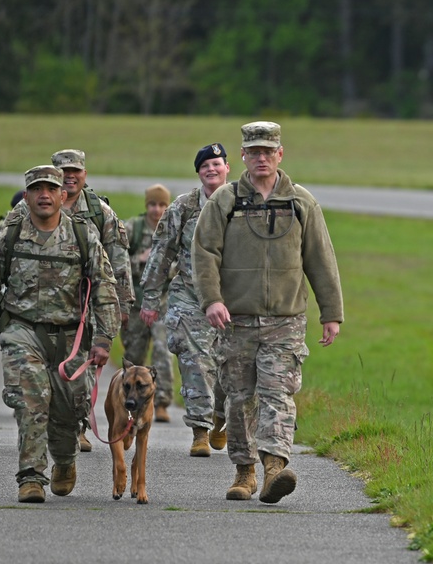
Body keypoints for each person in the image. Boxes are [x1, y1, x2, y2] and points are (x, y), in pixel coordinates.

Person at [192, 122, 344, 504]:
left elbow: (321, 259)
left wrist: (331, 313)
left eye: (268, 151)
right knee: (240, 399)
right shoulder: (224, 202)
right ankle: (244, 471)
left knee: (278, 394)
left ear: (280, 154)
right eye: (254, 152)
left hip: (285, 320)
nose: (261, 158)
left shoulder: (301, 202)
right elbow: (204, 253)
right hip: (236, 320)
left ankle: (274, 467)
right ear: (242, 156)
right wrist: (212, 299)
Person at [0, 165, 120, 503]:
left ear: (63, 195)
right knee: (31, 401)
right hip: (23, 332)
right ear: (27, 195)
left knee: (68, 408)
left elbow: (105, 288)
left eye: (51, 189)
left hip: (70, 339)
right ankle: (31, 477)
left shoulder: (82, 236)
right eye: (37, 189)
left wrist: (104, 338)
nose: (45, 195)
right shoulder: (9, 235)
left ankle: (64, 460)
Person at [139, 145, 229, 458]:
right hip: (190, 296)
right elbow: (161, 252)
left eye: (217, 164)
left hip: (234, 298)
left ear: (227, 168)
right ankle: (200, 431)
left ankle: (222, 416)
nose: (211, 170)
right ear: (198, 172)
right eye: (205, 165)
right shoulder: (184, 207)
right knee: (196, 361)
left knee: (231, 365)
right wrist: (150, 297)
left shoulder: (243, 203)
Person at [51, 149, 134, 453]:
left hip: (90, 304)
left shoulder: (100, 212)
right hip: (46, 304)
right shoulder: (38, 204)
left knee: (82, 369)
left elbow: (120, 260)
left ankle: (78, 427)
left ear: (84, 174)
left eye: (75, 171)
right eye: (63, 171)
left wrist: (122, 305)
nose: (69, 176)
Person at [122, 184, 175, 423]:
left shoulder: (173, 228)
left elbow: (184, 263)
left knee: (163, 352)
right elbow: (117, 262)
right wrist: (139, 259)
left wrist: (164, 267)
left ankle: (161, 402)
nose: (157, 209)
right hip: (136, 304)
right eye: (153, 204)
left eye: (163, 205)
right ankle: (131, 401)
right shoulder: (133, 228)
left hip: (164, 303)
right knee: (134, 355)